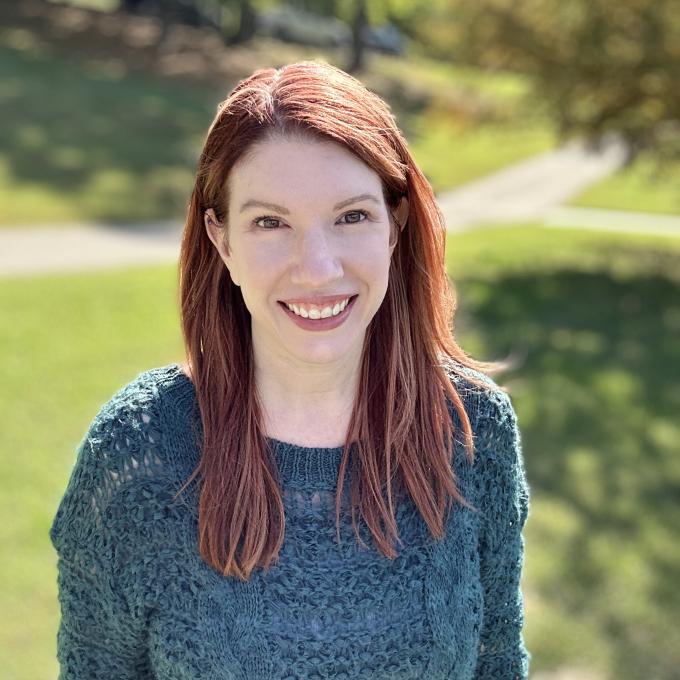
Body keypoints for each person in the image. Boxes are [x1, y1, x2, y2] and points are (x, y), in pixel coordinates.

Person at [50, 60, 531, 679]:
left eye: (351, 216)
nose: (317, 267)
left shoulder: (473, 431)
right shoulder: (139, 451)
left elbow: (498, 663)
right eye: (271, 223)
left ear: (395, 225)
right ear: (222, 239)